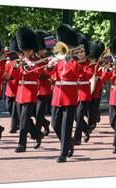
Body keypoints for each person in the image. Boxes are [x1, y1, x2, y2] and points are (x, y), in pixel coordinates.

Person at [46, 24, 82, 162]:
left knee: (67, 126)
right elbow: (52, 74)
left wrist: (68, 59)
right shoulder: (59, 57)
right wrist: (50, 66)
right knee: (55, 124)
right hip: (57, 94)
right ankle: (69, 142)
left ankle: (63, 152)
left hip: (70, 94)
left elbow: (77, 71)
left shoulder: (77, 56)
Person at [12, 27, 45, 152]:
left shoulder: (38, 61)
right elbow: (14, 77)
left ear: (32, 50)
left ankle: (22, 144)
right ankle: (37, 134)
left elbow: (38, 73)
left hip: (30, 92)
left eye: (27, 50)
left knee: (24, 122)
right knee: (23, 119)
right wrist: (15, 67)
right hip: (20, 92)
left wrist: (29, 65)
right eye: (24, 50)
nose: (25, 52)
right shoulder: (21, 61)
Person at [73, 32, 94, 145]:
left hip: (84, 92)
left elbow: (88, 75)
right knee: (76, 117)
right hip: (74, 91)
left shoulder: (90, 63)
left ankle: (77, 138)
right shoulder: (74, 62)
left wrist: (80, 65)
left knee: (79, 116)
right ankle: (86, 129)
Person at [35, 30, 53, 136]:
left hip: (44, 88)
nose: (40, 52)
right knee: (34, 112)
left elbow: (50, 72)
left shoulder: (48, 58)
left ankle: (37, 133)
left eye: (41, 49)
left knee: (39, 112)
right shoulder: (35, 58)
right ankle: (45, 123)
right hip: (34, 88)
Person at [3, 37, 21, 133]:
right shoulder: (8, 62)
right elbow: (5, 73)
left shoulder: (20, 62)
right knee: (9, 106)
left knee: (14, 108)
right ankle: (19, 122)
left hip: (18, 87)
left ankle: (14, 126)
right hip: (10, 87)